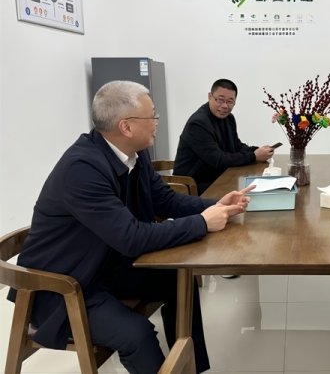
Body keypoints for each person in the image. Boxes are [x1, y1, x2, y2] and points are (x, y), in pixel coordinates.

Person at [7, 80, 254, 373]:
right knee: (137, 335)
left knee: (179, 279)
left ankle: (191, 367)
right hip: (66, 285)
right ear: (126, 126)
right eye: (152, 116)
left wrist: (214, 205)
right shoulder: (82, 169)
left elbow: (164, 200)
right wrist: (202, 223)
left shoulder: (134, 153)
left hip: (103, 264)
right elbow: (132, 238)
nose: (157, 122)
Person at [174, 78, 274, 195]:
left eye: (230, 101)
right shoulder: (198, 123)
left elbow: (236, 146)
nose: (225, 106)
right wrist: (254, 156)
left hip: (217, 178)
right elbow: (218, 160)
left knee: (253, 190)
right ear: (210, 96)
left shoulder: (229, 118)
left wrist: (257, 150)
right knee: (245, 195)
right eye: (220, 100)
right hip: (193, 186)